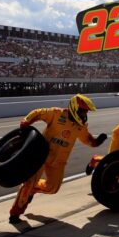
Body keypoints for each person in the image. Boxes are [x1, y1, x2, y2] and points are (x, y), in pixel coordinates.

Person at [9, 94, 107, 223]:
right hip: (41, 154)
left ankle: (33, 189)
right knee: (28, 183)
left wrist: (96, 142)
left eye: (86, 112)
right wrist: (26, 121)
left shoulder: (80, 126)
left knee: (53, 188)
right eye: (83, 111)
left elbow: (87, 140)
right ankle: (15, 213)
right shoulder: (56, 114)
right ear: (74, 107)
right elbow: (38, 113)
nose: (84, 114)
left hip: (59, 161)